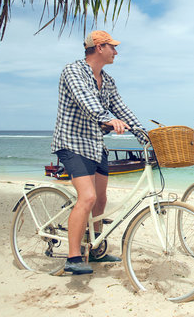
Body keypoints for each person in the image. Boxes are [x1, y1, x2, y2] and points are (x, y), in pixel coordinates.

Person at [51, 31, 146, 275]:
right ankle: (73, 257)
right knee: (88, 197)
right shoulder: (73, 71)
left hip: (95, 144)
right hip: (72, 142)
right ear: (100, 47)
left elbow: (121, 107)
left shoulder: (108, 80)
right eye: (113, 47)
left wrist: (142, 132)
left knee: (101, 200)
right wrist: (110, 120)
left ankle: (93, 250)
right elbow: (87, 102)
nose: (116, 52)